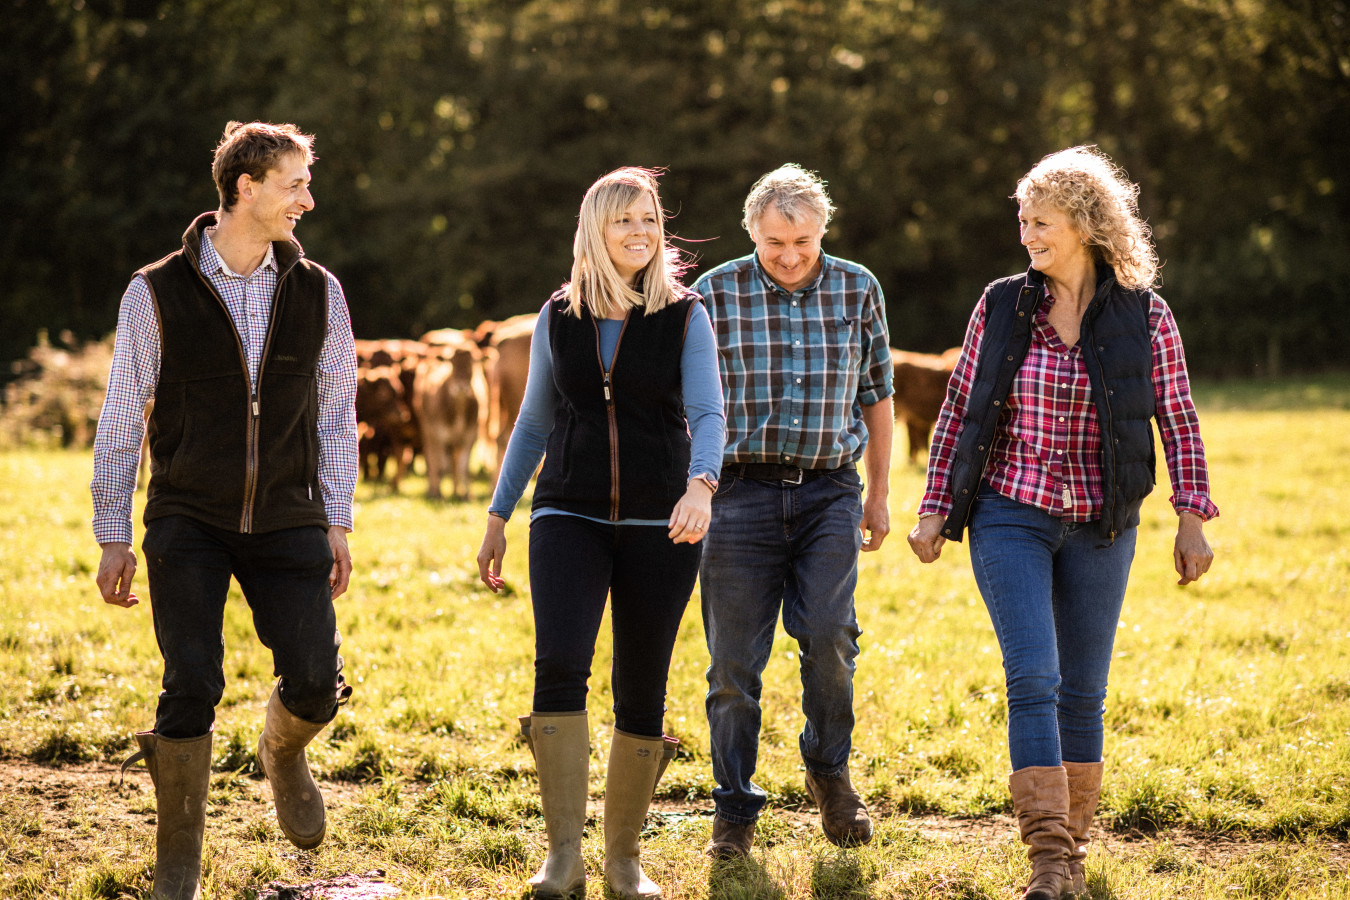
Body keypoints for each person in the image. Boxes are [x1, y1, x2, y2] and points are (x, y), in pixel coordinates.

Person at [907, 146, 1217, 900]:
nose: (1026, 234)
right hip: (1011, 513)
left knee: (1083, 690)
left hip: (1103, 523)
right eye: (1021, 220)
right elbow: (960, 408)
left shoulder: (1145, 313)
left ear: (1085, 223)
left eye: (1040, 220)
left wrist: (1192, 517)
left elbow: (1176, 417)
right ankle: (1049, 858)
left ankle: (1071, 857)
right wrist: (934, 506)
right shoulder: (1002, 304)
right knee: (1033, 677)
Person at [92, 121, 358, 900]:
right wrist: (114, 534)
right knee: (192, 682)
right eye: (294, 183)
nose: (307, 199)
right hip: (188, 516)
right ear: (246, 187)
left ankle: (281, 752)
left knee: (314, 681)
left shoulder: (320, 291)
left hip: (289, 513)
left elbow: (337, 412)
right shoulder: (155, 290)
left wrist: (335, 515)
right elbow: (121, 416)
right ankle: (179, 855)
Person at [475, 167, 725, 900]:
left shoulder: (685, 315)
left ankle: (623, 861)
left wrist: (701, 488)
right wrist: (497, 514)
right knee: (559, 668)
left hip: (663, 520)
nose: (641, 232)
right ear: (596, 229)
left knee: (641, 684)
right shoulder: (559, 316)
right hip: (567, 512)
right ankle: (562, 857)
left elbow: (709, 414)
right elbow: (532, 422)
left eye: (649, 220)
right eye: (624, 221)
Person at [694, 164, 895, 858]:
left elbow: (876, 391)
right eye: (775, 241)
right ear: (753, 231)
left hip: (829, 490)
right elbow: (686, 401)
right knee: (731, 668)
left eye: (802, 241)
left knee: (831, 638)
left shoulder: (856, 287)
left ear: (822, 231)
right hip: (737, 494)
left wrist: (880, 491)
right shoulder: (711, 293)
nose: (788, 255)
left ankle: (829, 772)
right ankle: (734, 807)